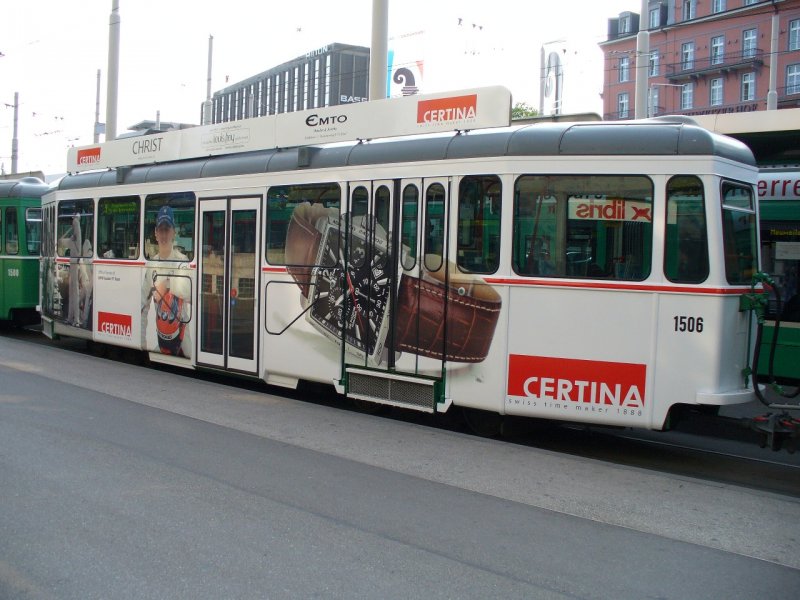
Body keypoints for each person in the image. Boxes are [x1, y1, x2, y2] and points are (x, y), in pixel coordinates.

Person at [140, 205, 192, 358]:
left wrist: (166, 284)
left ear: (173, 232)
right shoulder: (151, 266)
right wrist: (142, 344)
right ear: (156, 233)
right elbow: (143, 307)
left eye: (167, 229)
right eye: (161, 230)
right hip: (161, 339)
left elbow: (190, 295)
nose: (164, 235)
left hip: (183, 340)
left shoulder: (183, 262)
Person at [58, 216, 82, 326]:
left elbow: (60, 241)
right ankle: (71, 318)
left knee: (74, 293)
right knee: (72, 292)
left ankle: (75, 319)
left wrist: (68, 233)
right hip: (74, 265)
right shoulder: (75, 239)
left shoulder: (75, 240)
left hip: (75, 265)